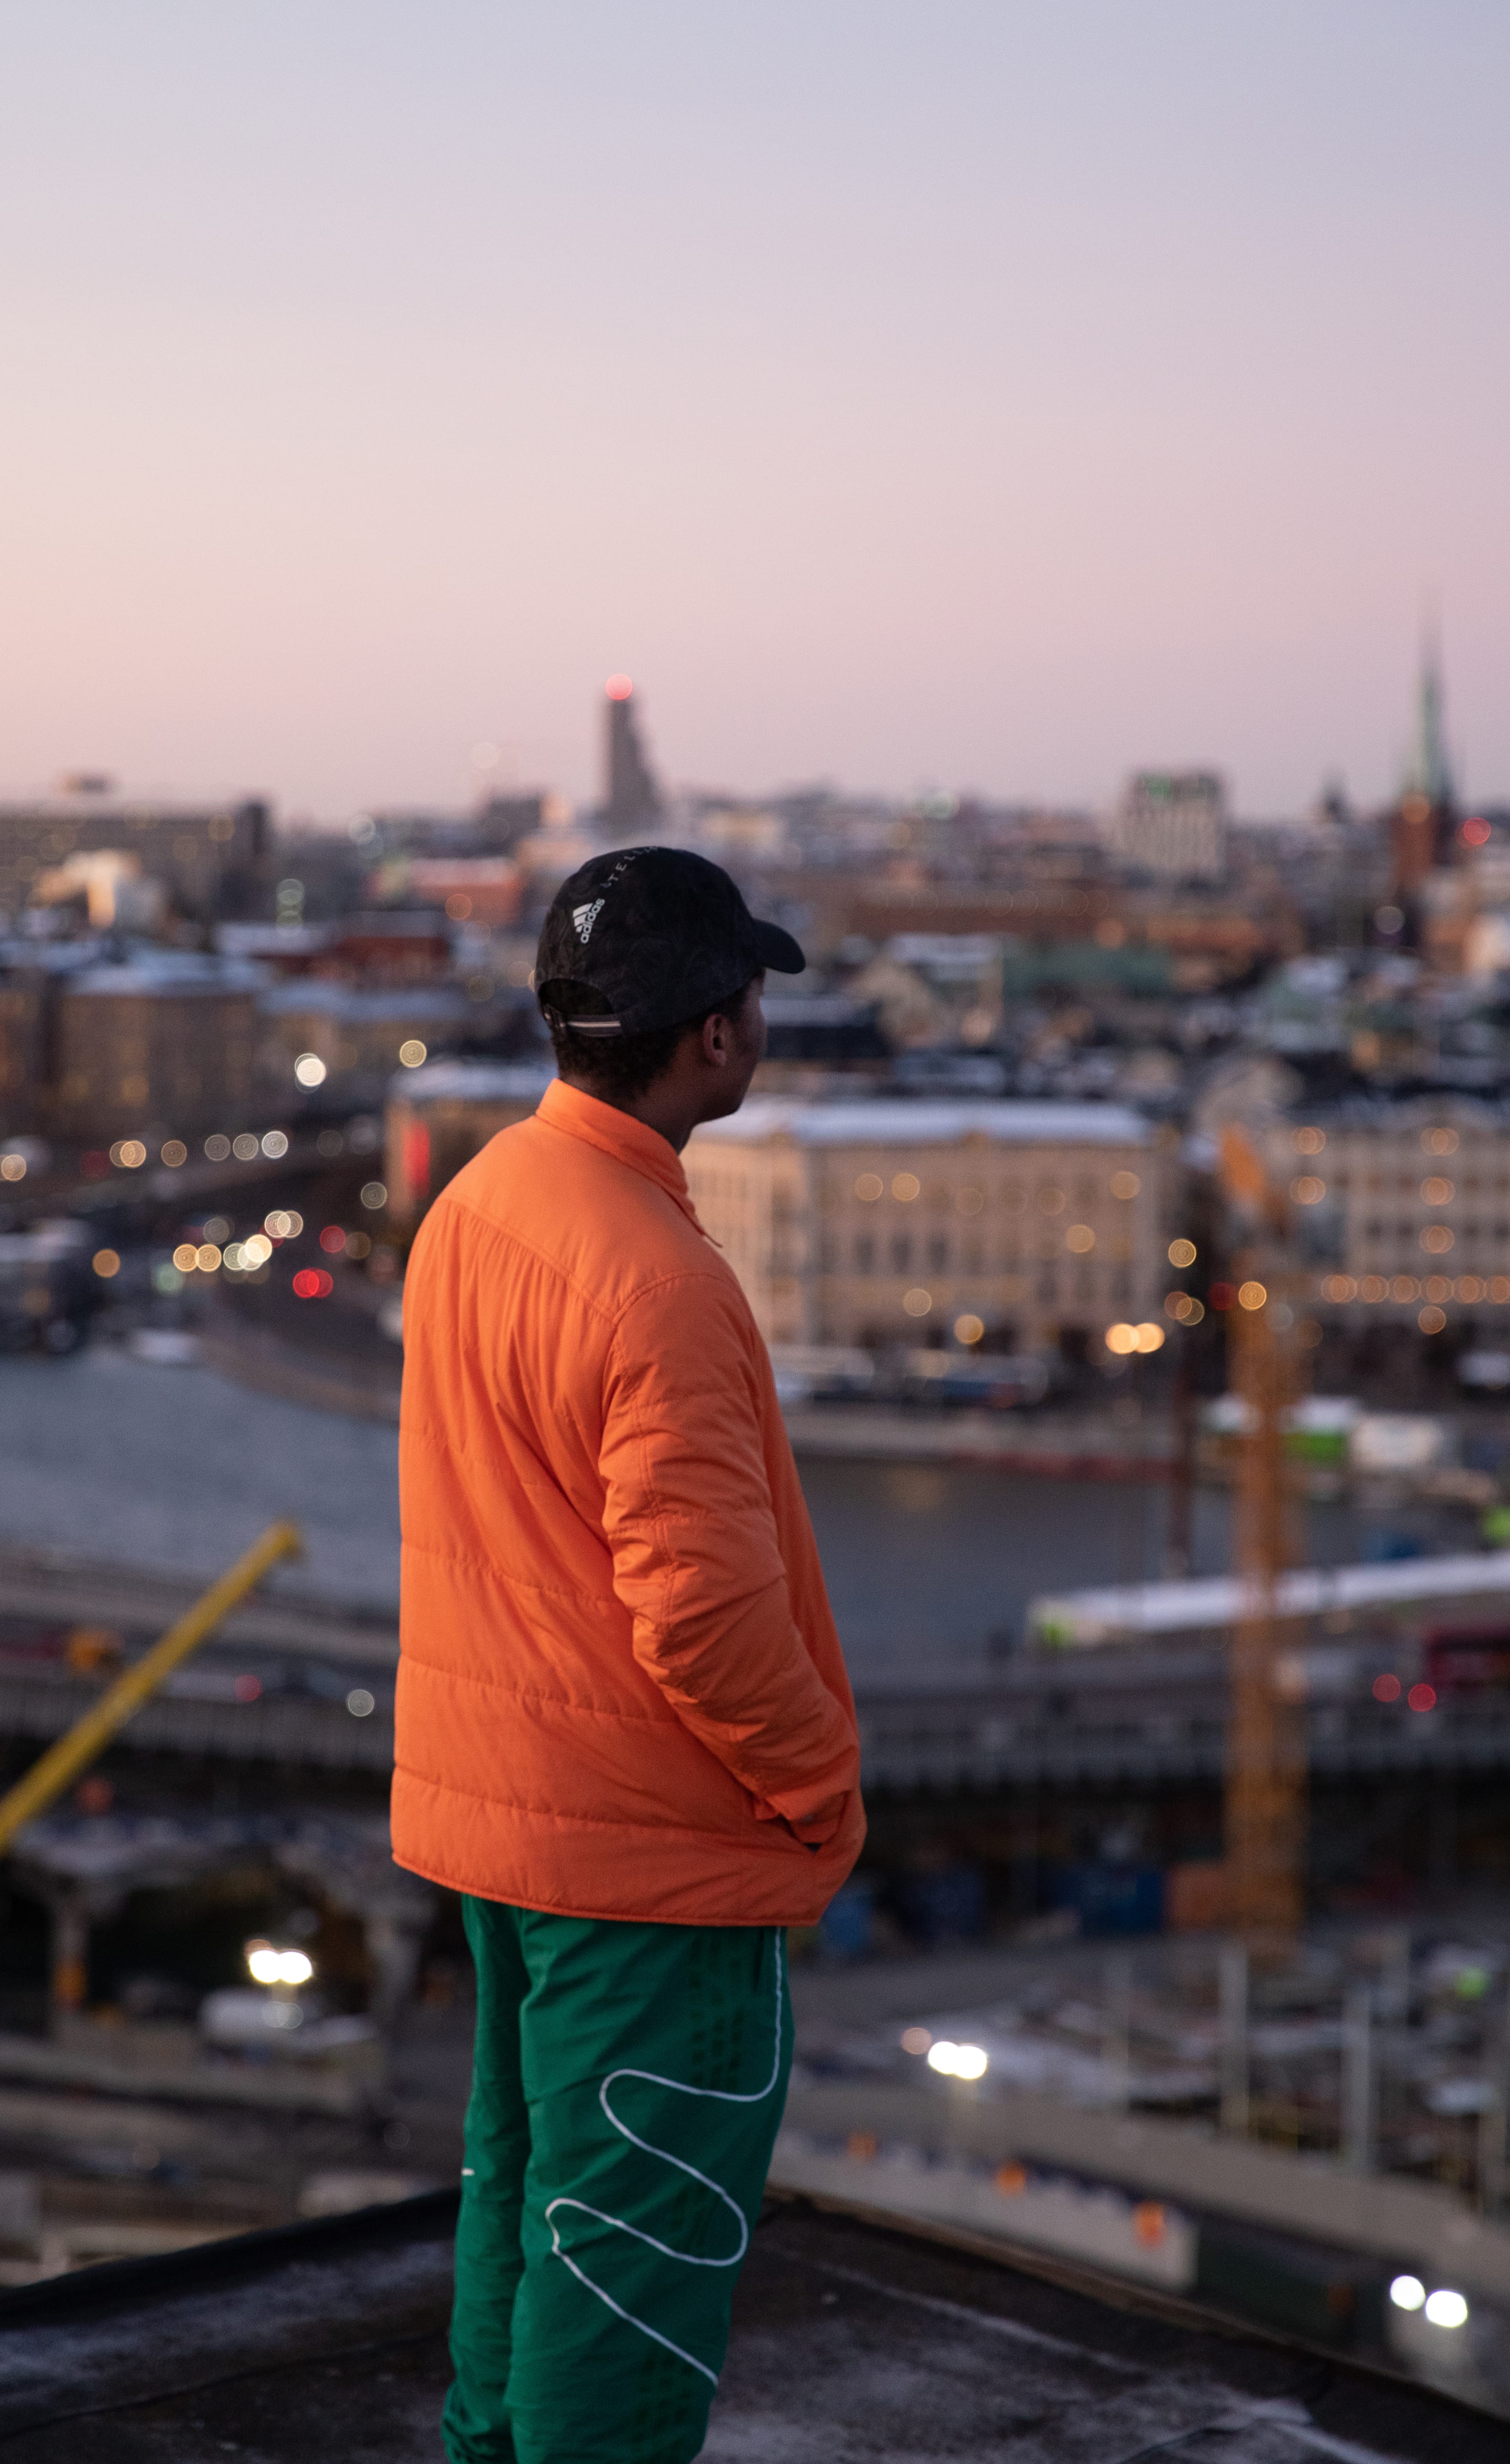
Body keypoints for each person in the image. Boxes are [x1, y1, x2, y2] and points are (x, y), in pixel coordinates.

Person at [393, 844, 865, 2464]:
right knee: (633, 2267)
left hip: (507, 1825)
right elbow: (706, 1617)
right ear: (715, 1035)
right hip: (642, 1858)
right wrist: (817, 1788)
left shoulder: (482, 1203)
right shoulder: (655, 1277)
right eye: (749, 995)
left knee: (524, 2193)